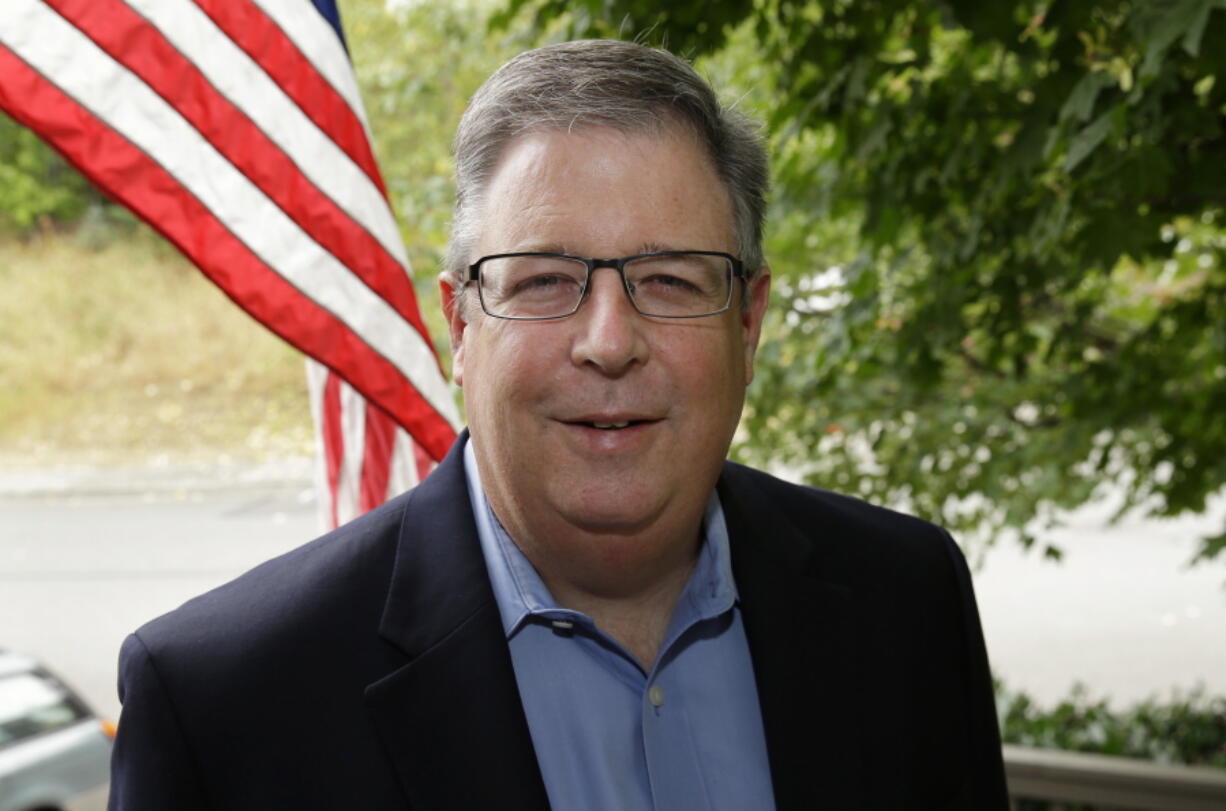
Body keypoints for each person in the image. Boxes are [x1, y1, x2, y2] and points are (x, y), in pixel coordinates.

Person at [108, 39, 1008, 810]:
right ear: (461, 326)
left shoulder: (906, 604)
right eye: (542, 280)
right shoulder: (224, 706)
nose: (609, 343)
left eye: (671, 280)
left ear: (749, 321)